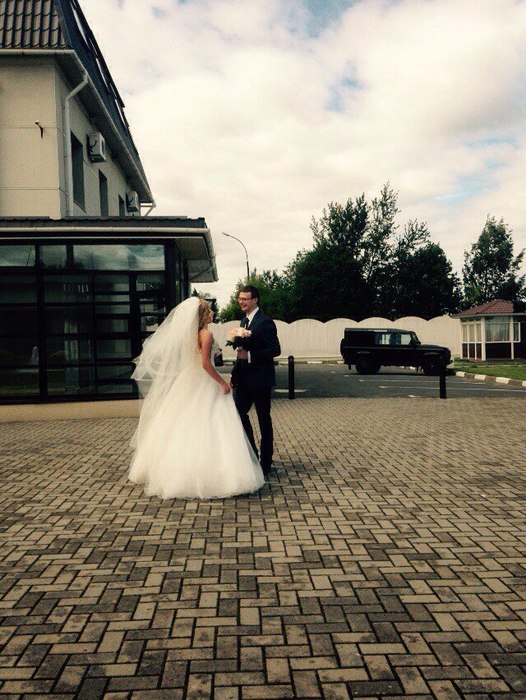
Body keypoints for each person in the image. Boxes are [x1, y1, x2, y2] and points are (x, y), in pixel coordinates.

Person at [129, 297, 265, 499]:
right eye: (209, 310)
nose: (212, 313)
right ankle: (212, 474)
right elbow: (206, 364)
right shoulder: (206, 334)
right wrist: (222, 383)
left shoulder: (190, 335)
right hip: (203, 380)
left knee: (182, 423)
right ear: (203, 315)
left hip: (188, 380)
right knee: (211, 421)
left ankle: (174, 470)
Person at [232, 286, 281, 476]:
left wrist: (251, 356)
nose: (241, 302)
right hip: (244, 379)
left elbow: (275, 350)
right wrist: (234, 375)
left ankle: (266, 461)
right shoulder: (244, 321)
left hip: (261, 379)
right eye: (240, 298)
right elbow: (240, 352)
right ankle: (252, 454)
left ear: (255, 300)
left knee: (263, 419)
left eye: (245, 299)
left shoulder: (265, 322)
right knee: (238, 413)